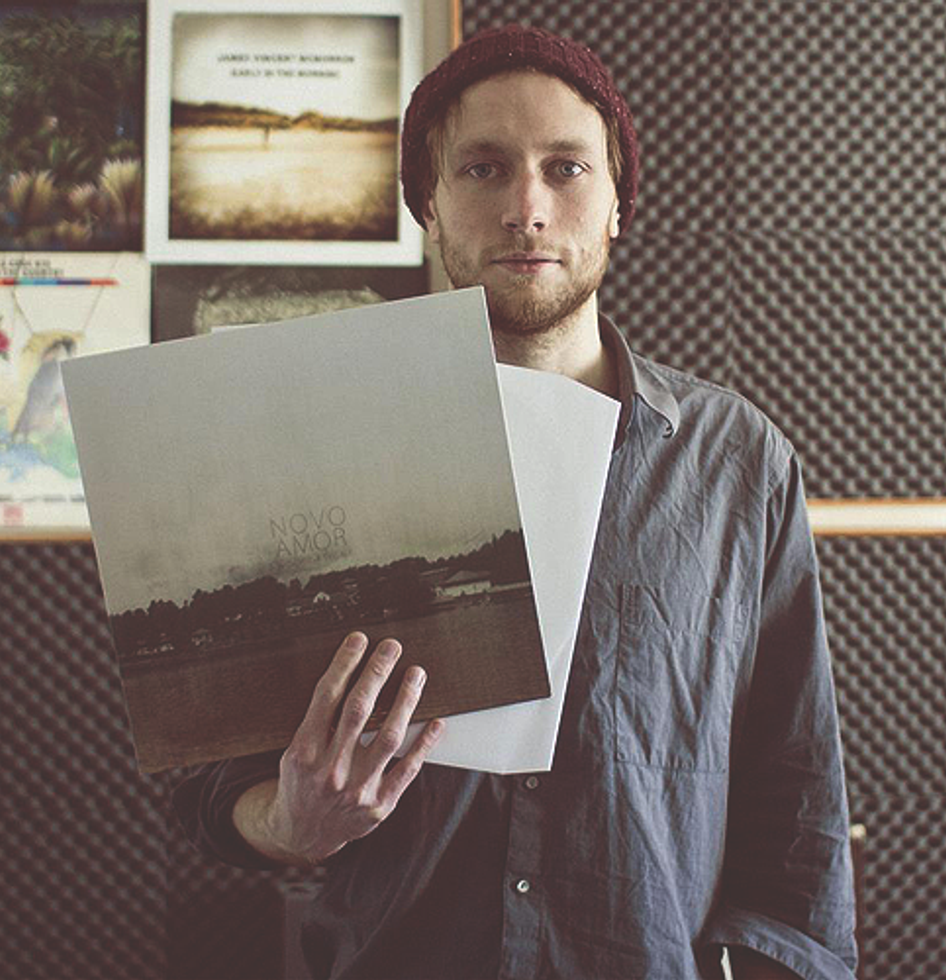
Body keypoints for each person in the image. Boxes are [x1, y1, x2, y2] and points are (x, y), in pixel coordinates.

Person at [173, 24, 858, 980]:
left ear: (617, 204)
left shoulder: (737, 460)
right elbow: (212, 786)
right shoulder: (315, 444)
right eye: (483, 168)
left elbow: (798, 798)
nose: (526, 208)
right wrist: (294, 823)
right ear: (431, 205)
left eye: (566, 169)